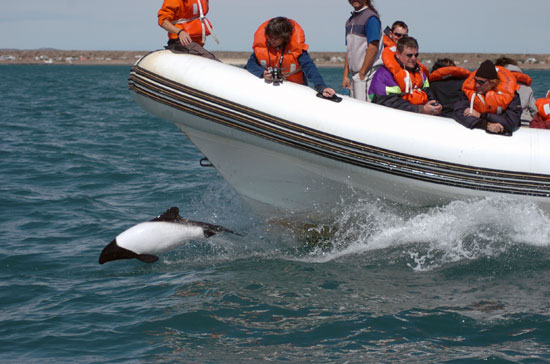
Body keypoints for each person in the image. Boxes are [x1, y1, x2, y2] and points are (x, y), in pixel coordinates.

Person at [246, 17, 336, 98]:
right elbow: (250, 64)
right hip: (269, 90)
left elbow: (310, 69)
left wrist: (322, 87)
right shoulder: (264, 47)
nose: (271, 40)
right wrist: (262, 73)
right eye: (269, 37)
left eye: (275, 38)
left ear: (285, 37)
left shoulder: (297, 51)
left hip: (295, 90)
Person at [368, 36, 442, 115]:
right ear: (398, 54)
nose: (413, 58)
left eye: (416, 55)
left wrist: (434, 106)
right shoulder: (384, 75)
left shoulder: (420, 74)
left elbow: (429, 95)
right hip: (391, 117)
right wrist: (420, 109)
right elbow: (388, 102)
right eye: (409, 55)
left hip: (418, 116)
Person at [453, 60, 522, 134]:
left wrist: (481, 115)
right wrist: (486, 125)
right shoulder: (470, 92)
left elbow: (510, 122)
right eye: (475, 80)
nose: (476, 85)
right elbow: (458, 113)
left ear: (493, 83)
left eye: (481, 82)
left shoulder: (511, 96)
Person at [341, 0, 382, 102]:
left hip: (366, 75)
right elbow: (349, 51)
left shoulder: (371, 18)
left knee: (364, 112)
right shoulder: (349, 21)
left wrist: (362, 73)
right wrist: (346, 75)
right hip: (356, 76)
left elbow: (373, 47)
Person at [495, 57, 537, 126]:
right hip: (526, 122)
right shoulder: (527, 88)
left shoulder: (496, 85)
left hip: (505, 123)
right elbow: (534, 110)